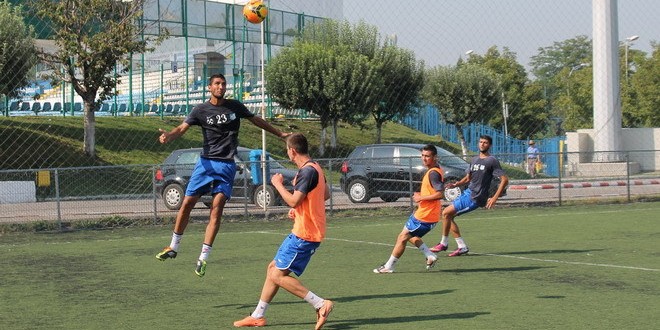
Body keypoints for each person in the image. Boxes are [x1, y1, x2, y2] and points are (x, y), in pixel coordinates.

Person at [155, 73, 289, 277]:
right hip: (206, 164)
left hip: (227, 166)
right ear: (209, 87)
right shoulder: (200, 110)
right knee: (187, 203)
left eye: (223, 84)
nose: (221, 86)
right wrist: (169, 136)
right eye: (217, 84)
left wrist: (279, 134)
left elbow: (256, 120)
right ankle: (173, 246)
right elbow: (182, 128)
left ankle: (203, 258)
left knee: (216, 210)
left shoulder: (235, 106)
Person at [233, 133, 334, 329]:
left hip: (306, 234)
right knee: (272, 269)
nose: (287, 153)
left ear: (292, 151)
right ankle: (258, 315)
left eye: (287, 150)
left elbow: (294, 199)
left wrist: (278, 185)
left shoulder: (307, 172)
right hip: (302, 230)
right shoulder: (314, 168)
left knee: (277, 275)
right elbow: (325, 194)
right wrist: (300, 210)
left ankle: (320, 304)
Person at [430, 135, 509, 256]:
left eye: (485, 143)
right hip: (468, 193)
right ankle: (460, 246)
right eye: (481, 142)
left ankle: (444, 244)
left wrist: (494, 197)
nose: (482, 144)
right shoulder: (474, 159)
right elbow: (468, 178)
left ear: (490, 145)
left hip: (476, 197)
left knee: (446, 213)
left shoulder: (491, 160)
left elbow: (504, 180)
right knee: (447, 215)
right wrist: (457, 184)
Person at [373, 144, 444, 274]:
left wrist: (421, 197)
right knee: (408, 235)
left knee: (402, 237)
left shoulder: (433, 173)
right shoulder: (435, 169)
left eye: (427, 156)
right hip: (421, 212)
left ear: (435, 157)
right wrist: (421, 198)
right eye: (422, 155)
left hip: (426, 216)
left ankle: (389, 266)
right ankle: (429, 255)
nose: (424, 158)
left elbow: (440, 193)